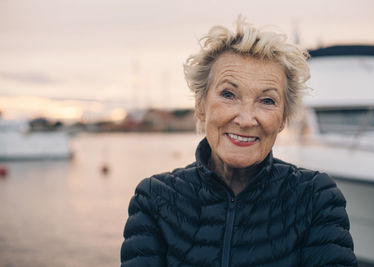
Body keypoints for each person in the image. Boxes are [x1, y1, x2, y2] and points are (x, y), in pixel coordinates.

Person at [121, 17, 357, 267]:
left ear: (283, 119)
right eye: (228, 94)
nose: (245, 119)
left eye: (267, 101)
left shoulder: (315, 197)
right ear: (200, 106)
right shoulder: (154, 198)